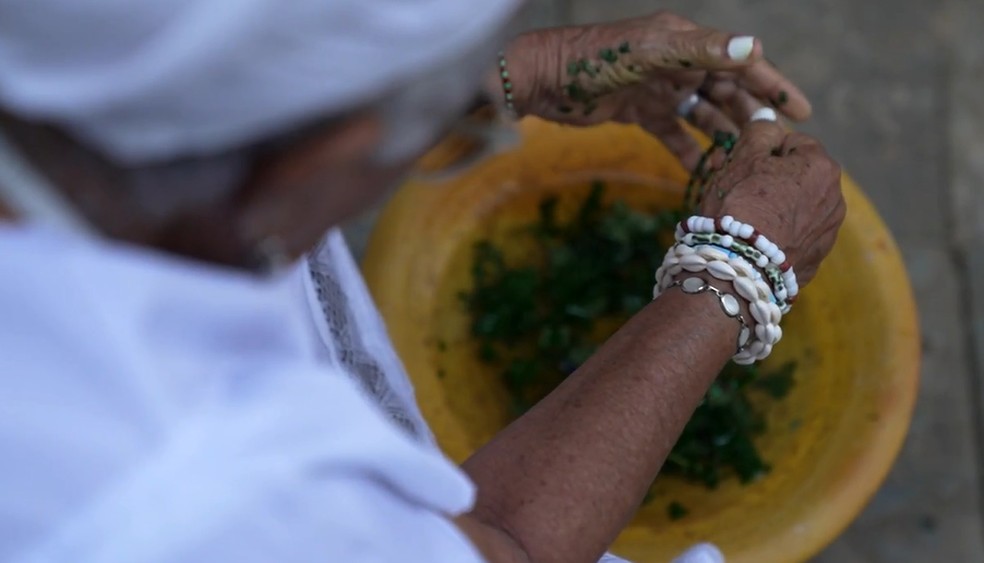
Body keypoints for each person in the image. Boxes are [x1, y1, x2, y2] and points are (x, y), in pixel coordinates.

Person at [0, 1, 844, 562]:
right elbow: (499, 543)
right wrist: (731, 274)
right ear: (306, 165)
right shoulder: (194, 496)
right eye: (423, 134)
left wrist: (519, 76)